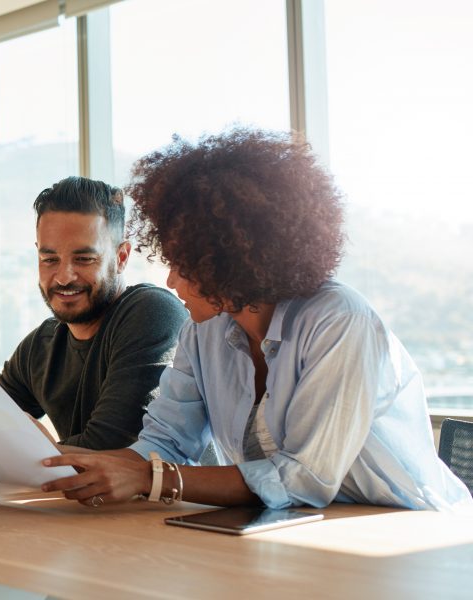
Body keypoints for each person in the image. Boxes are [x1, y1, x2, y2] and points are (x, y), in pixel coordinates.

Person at [40, 128, 472, 511]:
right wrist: (59, 461)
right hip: (297, 531)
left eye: (184, 264)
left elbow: (305, 478)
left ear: (232, 262)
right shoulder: (202, 332)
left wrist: (154, 480)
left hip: (416, 534)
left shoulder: (339, 322)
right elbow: (164, 442)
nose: (171, 280)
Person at [0, 177, 187, 476]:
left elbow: (107, 451)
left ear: (121, 257)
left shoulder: (152, 313)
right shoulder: (41, 345)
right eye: (49, 259)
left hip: (171, 513)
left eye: (84, 258)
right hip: (91, 515)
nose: (63, 277)